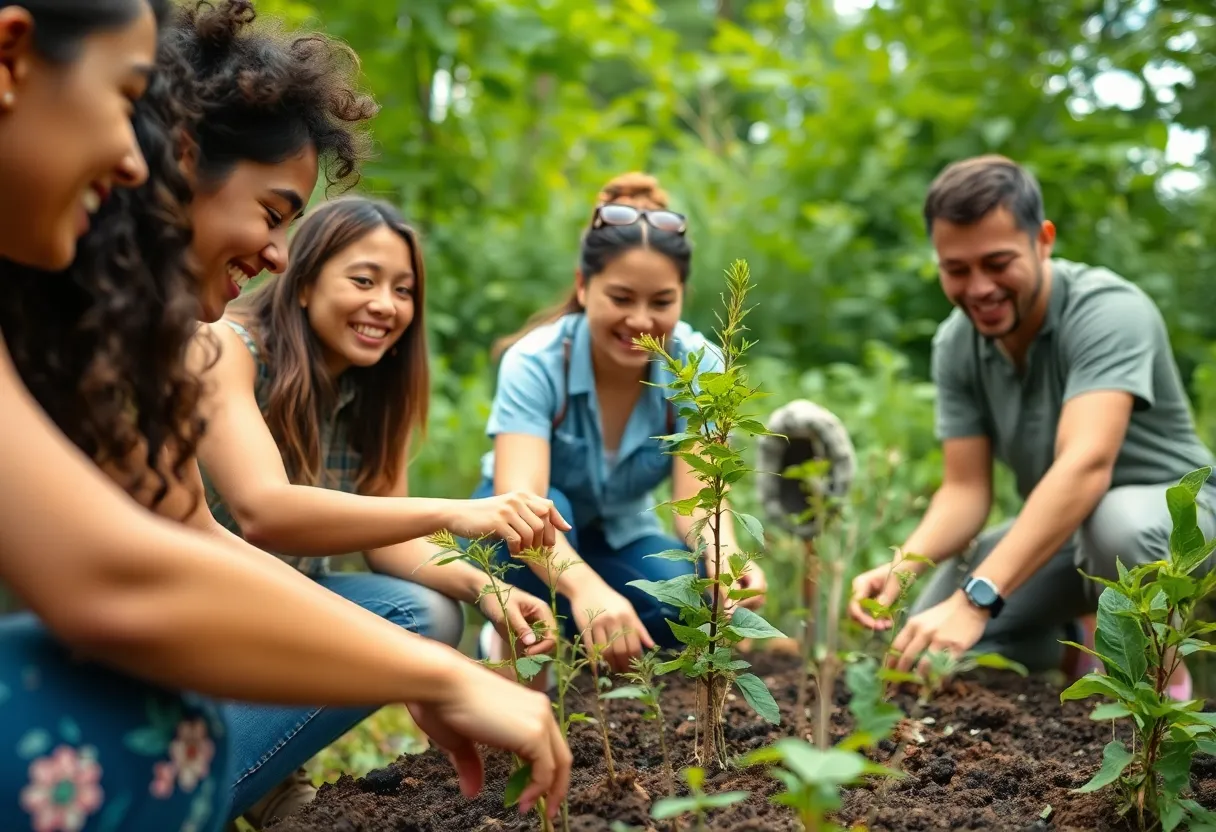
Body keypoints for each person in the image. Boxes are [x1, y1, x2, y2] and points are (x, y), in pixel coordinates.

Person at [0, 2, 571, 831]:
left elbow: (190, 534)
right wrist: (438, 674)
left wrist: (429, 661)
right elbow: (121, 574)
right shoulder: (219, 349)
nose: (133, 159)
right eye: (127, 105)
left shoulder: (90, 334)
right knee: (136, 729)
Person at [195, 195, 561, 819]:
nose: (385, 305)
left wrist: (487, 590)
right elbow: (264, 509)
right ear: (303, 283)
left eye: (402, 290)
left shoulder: (367, 392)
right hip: (203, 623)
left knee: (426, 611)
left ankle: (270, 766)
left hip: (286, 615)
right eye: (363, 280)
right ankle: (236, 773)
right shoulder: (227, 349)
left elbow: (388, 540)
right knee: (418, 625)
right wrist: (451, 511)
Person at [847, 155, 1216, 699]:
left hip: (1178, 524)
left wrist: (978, 598)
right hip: (1070, 531)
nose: (979, 288)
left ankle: (1162, 689)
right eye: (957, 269)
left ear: (1043, 240)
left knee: (1117, 528)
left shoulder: (1107, 310)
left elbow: (1085, 466)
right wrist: (903, 568)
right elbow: (965, 489)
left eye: (998, 262)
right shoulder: (958, 342)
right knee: (921, 650)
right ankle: (1068, 640)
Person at [478, 172, 769, 677]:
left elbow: (697, 505)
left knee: (681, 599)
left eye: (661, 303)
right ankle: (519, 640)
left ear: (681, 296)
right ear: (583, 286)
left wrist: (726, 562)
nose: (640, 321)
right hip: (518, 532)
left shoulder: (696, 364)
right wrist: (586, 590)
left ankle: (590, 654)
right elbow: (518, 507)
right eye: (620, 298)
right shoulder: (537, 362)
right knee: (548, 509)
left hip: (618, 533)